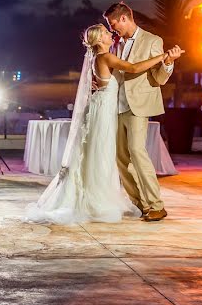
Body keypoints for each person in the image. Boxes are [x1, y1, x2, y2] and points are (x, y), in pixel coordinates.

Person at [27, 24, 182, 225]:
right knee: (105, 154)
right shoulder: (105, 56)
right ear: (99, 40)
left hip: (108, 108)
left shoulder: (99, 56)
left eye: (111, 28)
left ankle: (138, 202)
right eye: (107, 33)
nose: (111, 33)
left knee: (103, 153)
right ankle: (103, 200)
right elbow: (133, 68)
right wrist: (163, 56)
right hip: (108, 110)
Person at [104, 2, 181, 222]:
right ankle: (141, 204)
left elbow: (159, 78)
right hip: (115, 106)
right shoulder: (114, 44)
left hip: (138, 105)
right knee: (120, 158)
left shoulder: (153, 41)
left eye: (113, 24)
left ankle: (156, 205)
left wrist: (168, 62)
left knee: (137, 152)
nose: (112, 29)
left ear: (124, 19)